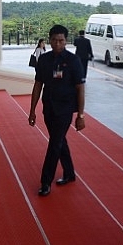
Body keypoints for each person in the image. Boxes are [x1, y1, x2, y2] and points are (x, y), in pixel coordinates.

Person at [28, 25, 86, 197]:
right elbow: (38, 85)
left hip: (65, 109)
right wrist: (32, 110)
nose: (57, 44)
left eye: (61, 40)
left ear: (66, 41)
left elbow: (80, 88)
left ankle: (45, 182)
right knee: (59, 140)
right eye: (54, 40)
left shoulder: (73, 61)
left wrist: (80, 115)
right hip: (49, 108)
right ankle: (69, 173)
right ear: (49, 40)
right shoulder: (44, 60)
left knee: (54, 144)